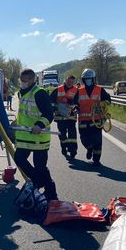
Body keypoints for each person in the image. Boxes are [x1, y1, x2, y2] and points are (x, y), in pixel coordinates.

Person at [14, 69, 58, 201]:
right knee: (19, 158)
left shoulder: (40, 93)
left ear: (32, 80)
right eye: (21, 80)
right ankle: (37, 180)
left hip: (39, 138)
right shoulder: (21, 93)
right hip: (25, 136)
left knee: (40, 166)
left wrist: (39, 125)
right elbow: (24, 113)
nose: (22, 83)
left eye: (25, 81)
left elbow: (49, 114)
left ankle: (51, 192)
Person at [73, 68, 111, 165]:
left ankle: (96, 160)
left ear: (93, 79)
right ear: (83, 80)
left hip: (97, 120)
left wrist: (103, 104)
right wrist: (76, 107)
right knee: (84, 139)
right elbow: (74, 103)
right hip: (83, 120)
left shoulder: (100, 89)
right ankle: (89, 149)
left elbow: (108, 100)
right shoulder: (79, 91)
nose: (88, 80)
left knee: (97, 141)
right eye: (86, 79)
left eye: (90, 78)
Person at [50, 75, 78, 160]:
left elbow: (78, 102)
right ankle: (64, 146)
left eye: (72, 82)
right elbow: (50, 102)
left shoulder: (76, 91)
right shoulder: (57, 90)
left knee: (72, 135)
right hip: (60, 117)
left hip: (71, 117)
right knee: (62, 134)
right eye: (69, 81)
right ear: (65, 80)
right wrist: (55, 109)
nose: (70, 83)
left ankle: (73, 150)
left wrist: (73, 107)